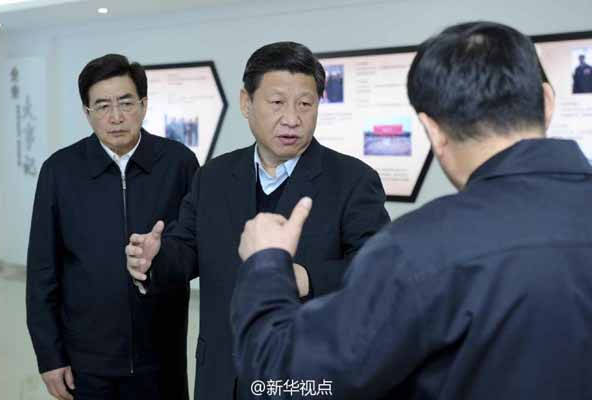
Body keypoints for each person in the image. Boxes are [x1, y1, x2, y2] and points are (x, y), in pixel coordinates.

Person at [231, 22, 592, 400]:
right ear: (548, 102)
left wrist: (266, 265)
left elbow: (284, 378)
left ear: (432, 129)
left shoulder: (417, 250)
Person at [125, 41, 390, 400]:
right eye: (277, 102)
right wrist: (154, 259)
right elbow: (186, 249)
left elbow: (377, 271)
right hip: (222, 377)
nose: (292, 118)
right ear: (246, 103)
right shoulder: (214, 176)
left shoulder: (352, 180)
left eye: (305, 104)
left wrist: (306, 278)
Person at [26, 54, 199, 400]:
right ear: (87, 112)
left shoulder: (178, 163)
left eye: (126, 103)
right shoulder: (60, 171)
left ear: (144, 104)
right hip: (87, 361)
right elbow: (43, 270)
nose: (116, 117)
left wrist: (161, 259)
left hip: (161, 358)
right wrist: (50, 356)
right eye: (102, 106)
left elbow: (196, 250)